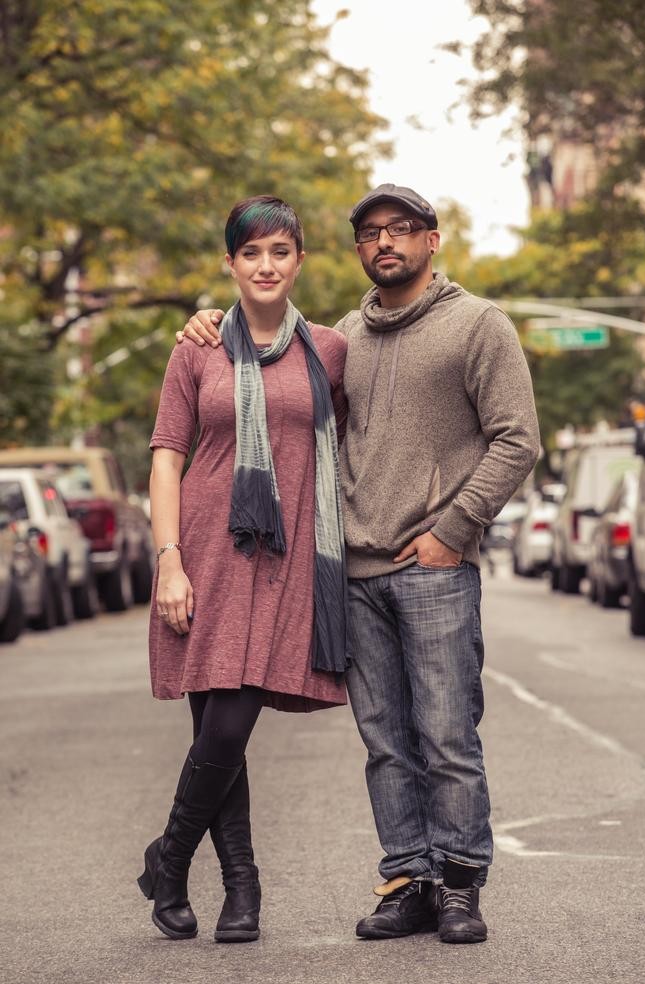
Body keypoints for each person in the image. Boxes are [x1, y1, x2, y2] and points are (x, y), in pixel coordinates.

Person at [180, 183, 540, 944]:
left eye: (402, 229)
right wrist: (207, 323)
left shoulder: (478, 325)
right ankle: (407, 877)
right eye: (371, 232)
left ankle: (459, 886)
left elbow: (517, 440)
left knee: (446, 734)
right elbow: (277, 382)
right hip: (349, 571)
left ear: (431, 240)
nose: (386, 243)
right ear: (354, 250)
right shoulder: (338, 338)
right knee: (384, 741)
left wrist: (454, 528)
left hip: (434, 567)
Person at [138, 195, 349, 944]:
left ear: (298, 261)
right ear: (230, 263)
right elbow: (167, 458)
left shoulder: (329, 348)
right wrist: (169, 562)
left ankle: (169, 860)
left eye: (279, 252)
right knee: (215, 725)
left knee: (230, 720)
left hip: (290, 558)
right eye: (250, 253)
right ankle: (240, 891)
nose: (265, 266)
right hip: (207, 548)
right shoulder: (195, 349)